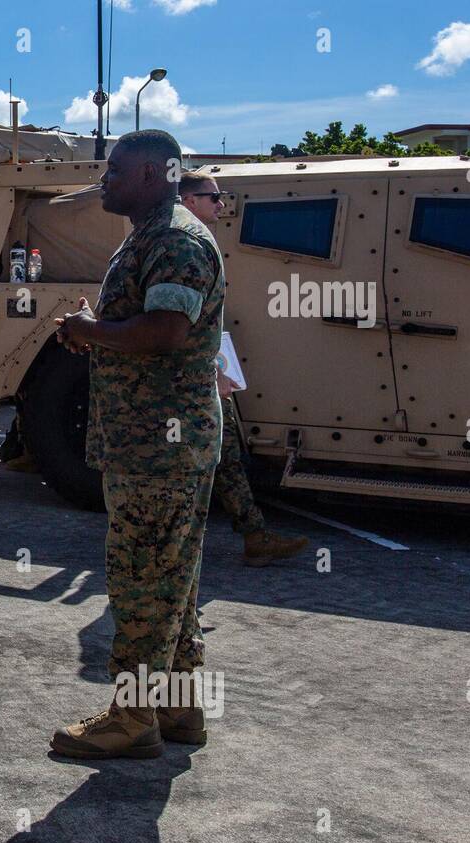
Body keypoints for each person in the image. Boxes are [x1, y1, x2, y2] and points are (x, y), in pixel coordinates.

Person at [50, 130, 224, 758]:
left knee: (142, 580)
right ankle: (178, 709)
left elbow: (165, 332)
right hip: (151, 440)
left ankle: (131, 716)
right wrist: (94, 333)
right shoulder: (148, 236)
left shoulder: (175, 240)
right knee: (171, 575)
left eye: (114, 172)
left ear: (152, 173)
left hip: (161, 444)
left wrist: (91, 331)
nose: (104, 182)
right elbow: (142, 326)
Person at [179, 170, 308, 567]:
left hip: (207, 367)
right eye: (212, 197)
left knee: (226, 455)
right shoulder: (183, 246)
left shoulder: (199, 242)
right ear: (189, 202)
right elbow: (178, 322)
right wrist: (210, 371)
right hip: (191, 378)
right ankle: (186, 548)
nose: (221, 204)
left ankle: (253, 535)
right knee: (203, 461)